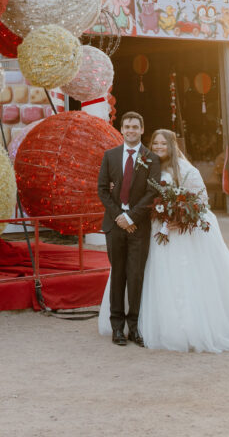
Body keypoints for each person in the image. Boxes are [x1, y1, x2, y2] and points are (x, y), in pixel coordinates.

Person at [104, 128, 229, 353]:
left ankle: (184, 326)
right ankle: (135, 322)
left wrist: (180, 218)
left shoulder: (185, 169)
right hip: (155, 229)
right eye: (155, 144)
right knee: (144, 272)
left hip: (179, 233)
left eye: (163, 144)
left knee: (181, 278)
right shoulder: (148, 166)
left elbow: (201, 201)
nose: (159, 148)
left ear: (173, 146)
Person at [97, 111, 161, 346]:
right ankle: (117, 327)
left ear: (142, 130)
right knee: (118, 276)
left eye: (135, 126)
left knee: (135, 276)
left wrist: (132, 217)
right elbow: (102, 189)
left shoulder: (152, 159)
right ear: (121, 129)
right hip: (115, 226)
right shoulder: (110, 156)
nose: (131, 130)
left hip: (139, 227)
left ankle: (134, 327)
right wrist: (120, 217)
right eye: (127, 127)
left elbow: (152, 192)